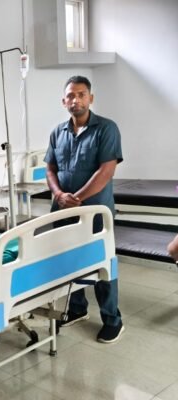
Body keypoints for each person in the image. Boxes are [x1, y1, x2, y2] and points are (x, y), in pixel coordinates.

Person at [45, 75, 125, 343]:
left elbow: (106, 171)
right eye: (70, 95)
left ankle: (112, 319)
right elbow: (50, 169)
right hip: (63, 211)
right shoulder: (58, 132)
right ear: (63, 101)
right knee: (70, 261)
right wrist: (58, 194)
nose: (75, 99)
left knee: (101, 263)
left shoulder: (106, 129)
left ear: (91, 98)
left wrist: (76, 198)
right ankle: (77, 308)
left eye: (81, 94)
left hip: (95, 212)